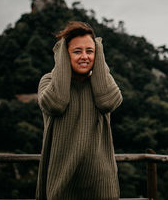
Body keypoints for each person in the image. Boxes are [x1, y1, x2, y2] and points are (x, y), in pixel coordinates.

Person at [36, 21, 123, 200]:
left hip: (101, 186)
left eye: (90, 51)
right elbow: (56, 103)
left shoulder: (102, 84)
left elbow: (108, 102)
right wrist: (61, 52)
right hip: (61, 184)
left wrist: (97, 48)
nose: (84, 56)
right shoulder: (48, 82)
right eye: (77, 51)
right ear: (63, 55)